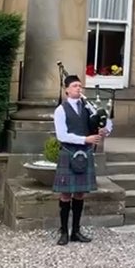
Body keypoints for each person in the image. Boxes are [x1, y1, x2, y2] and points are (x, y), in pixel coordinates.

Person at [52, 74, 112, 246]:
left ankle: (76, 231)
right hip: (69, 152)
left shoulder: (88, 106)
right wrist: (85, 139)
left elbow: (105, 122)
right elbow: (61, 135)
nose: (79, 88)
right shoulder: (61, 110)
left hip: (84, 154)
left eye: (80, 86)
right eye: (75, 86)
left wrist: (104, 130)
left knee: (80, 193)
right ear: (67, 90)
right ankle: (63, 231)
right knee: (65, 194)